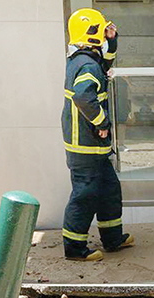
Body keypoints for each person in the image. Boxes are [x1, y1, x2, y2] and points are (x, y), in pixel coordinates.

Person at [61, 8, 134, 262]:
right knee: (85, 195)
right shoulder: (87, 64)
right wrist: (101, 121)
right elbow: (84, 97)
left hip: (94, 146)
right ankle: (74, 248)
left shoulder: (84, 59)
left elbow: (105, 64)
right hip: (86, 145)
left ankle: (113, 239)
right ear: (91, 33)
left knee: (108, 190)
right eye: (101, 32)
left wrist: (112, 41)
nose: (103, 37)